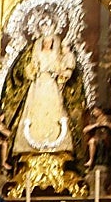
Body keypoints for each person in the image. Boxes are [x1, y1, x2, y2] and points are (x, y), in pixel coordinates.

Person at [10, 16, 77, 156]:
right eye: (45, 42)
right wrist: (33, 71)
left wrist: (58, 72)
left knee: (54, 109)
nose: (47, 44)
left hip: (51, 84)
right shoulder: (37, 53)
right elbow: (31, 67)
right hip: (39, 83)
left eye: (49, 42)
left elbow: (62, 67)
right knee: (35, 110)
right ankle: (31, 144)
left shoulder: (56, 54)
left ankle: (56, 143)